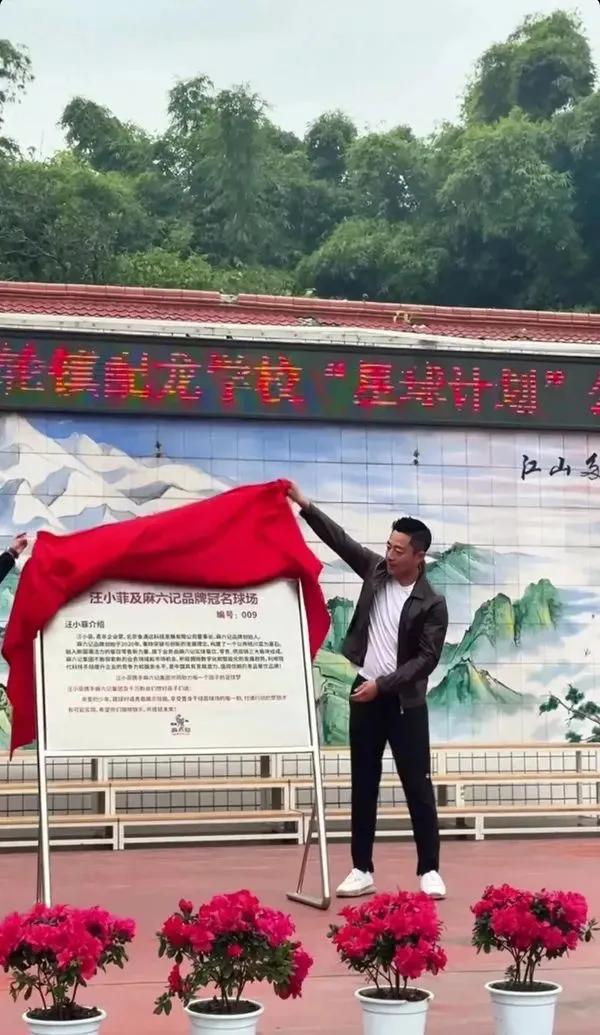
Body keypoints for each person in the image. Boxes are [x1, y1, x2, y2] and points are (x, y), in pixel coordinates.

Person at [287, 484, 448, 900]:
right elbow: (340, 541)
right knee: (364, 783)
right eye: (388, 546)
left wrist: (383, 686)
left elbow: (426, 660)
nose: (390, 554)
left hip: (405, 702)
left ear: (418, 556)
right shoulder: (375, 572)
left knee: (417, 785)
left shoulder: (432, 602)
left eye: (398, 550)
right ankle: (361, 868)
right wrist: (305, 505)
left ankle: (429, 869)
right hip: (366, 691)